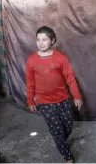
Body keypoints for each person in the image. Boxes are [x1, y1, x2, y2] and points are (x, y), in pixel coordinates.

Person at [26, 26, 83, 163]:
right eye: (38, 39)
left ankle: (61, 141)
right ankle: (67, 155)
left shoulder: (60, 58)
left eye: (44, 39)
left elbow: (70, 77)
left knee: (68, 126)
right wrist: (30, 100)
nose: (41, 42)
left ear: (52, 41)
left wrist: (77, 96)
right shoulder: (31, 60)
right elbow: (30, 82)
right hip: (44, 101)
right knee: (56, 129)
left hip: (62, 99)